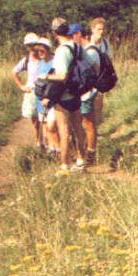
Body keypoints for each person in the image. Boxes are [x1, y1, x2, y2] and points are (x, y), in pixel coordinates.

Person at [40, 19, 87, 173]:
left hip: (64, 95)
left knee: (64, 130)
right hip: (77, 93)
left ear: (54, 33)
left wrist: (44, 76)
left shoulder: (61, 50)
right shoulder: (78, 47)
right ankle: (81, 161)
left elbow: (62, 76)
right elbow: (91, 66)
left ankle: (64, 165)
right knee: (79, 128)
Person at [13, 32, 43, 148]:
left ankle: (46, 141)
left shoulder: (45, 57)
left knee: (45, 119)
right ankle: (38, 140)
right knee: (35, 118)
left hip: (45, 92)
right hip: (32, 92)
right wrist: (21, 86)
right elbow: (15, 72)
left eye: (34, 44)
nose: (32, 48)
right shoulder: (26, 60)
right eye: (29, 45)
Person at [79, 26, 101, 166]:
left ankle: (90, 154)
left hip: (87, 93)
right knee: (84, 122)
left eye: (77, 36)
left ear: (85, 36)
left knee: (88, 122)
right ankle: (86, 152)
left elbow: (94, 72)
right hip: (85, 92)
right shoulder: (85, 50)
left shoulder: (90, 51)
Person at [34, 37, 60, 155]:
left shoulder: (55, 62)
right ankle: (51, 150)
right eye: (37, 51)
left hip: (52, 101)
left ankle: (59, 149)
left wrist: (49, 97)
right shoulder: (40, 63)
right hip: (40, 101)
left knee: (52, 126)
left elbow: (57, 82)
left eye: (42, 50)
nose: (39, 53)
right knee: (45, 126)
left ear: (48, 49)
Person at [89, 17, 112, 126]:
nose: (101, 32)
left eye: (103, 29)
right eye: (99, 29)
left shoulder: (106, 43)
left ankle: (94, 132)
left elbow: (109, 61)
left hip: (100, 80)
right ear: (92, 29)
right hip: (86, 80)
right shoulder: (86, 43)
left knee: (98, 106)